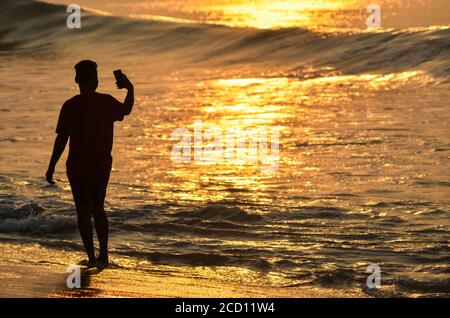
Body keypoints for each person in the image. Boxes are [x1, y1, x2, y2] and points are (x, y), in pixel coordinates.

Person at [46, 60, 134, 267]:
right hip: (101, 164)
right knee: (98, 208)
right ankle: (104, 256)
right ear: (96, 80)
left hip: (77, 165)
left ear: (77, 79)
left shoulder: (70, 105)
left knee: (83, 210)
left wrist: (51, 166)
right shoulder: (107, 102)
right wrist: (130, 88)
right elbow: (127, 110)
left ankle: (91, 258)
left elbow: (62, 139)